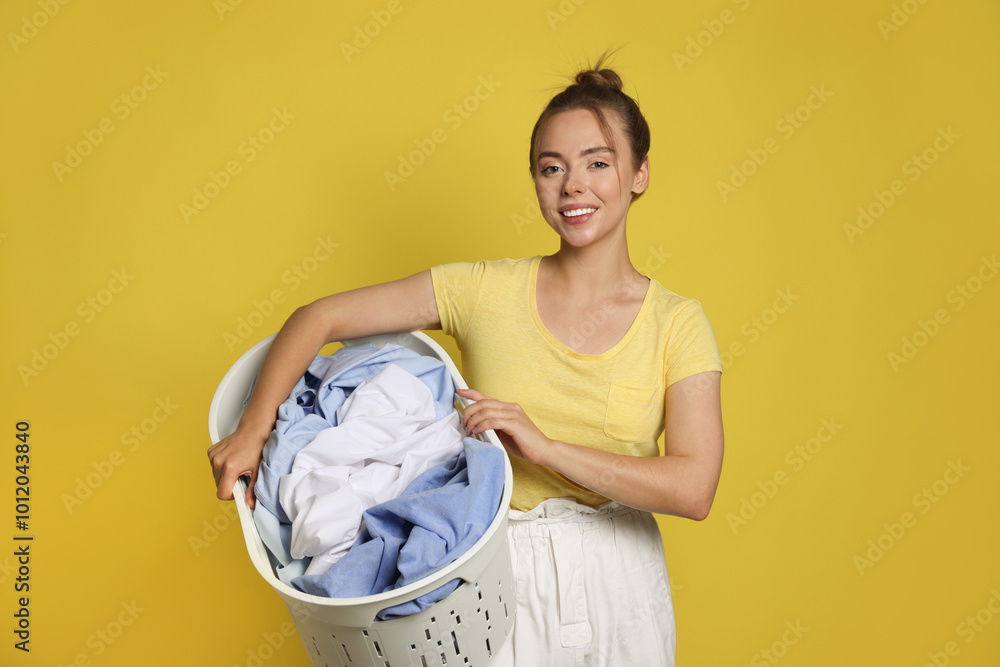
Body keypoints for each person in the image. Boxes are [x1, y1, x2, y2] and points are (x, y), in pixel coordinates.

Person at [208, 53, 724, 666]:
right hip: (492, 572)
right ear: (535, 180)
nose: (573, 186)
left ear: (638, 174)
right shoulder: (482, 291)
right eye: (551, 167)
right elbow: (320, 318)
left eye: (598, 163)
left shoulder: (677, 323)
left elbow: (694, 487)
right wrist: (254, 426)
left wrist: (547, 447)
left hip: (621, 578)